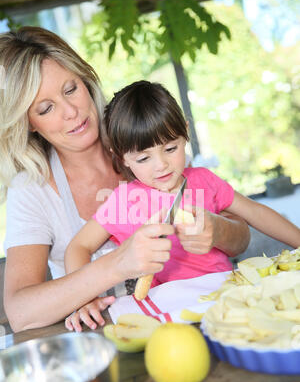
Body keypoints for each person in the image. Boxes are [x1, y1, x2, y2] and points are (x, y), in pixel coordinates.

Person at [0, 27, 251, 334]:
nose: (71, 112)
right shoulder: (32, 190)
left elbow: (240, 239)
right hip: (109, 341)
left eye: (70, 89)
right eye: (46, 108)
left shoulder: (142, 139)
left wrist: (219, 229)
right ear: (28, 123)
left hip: (193, 322)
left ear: (85, 80)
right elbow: (20, 313)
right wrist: (115, 266)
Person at [65, 80, 300, 305]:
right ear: (122, 157)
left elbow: (255, 212)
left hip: (226, 293)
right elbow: (78, 248)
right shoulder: (122, 201)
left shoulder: (204, 180)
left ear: (185, 133)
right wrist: (84, 300)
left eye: (170, 148)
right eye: (143, 158)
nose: (161, 165)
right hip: (167, 307)